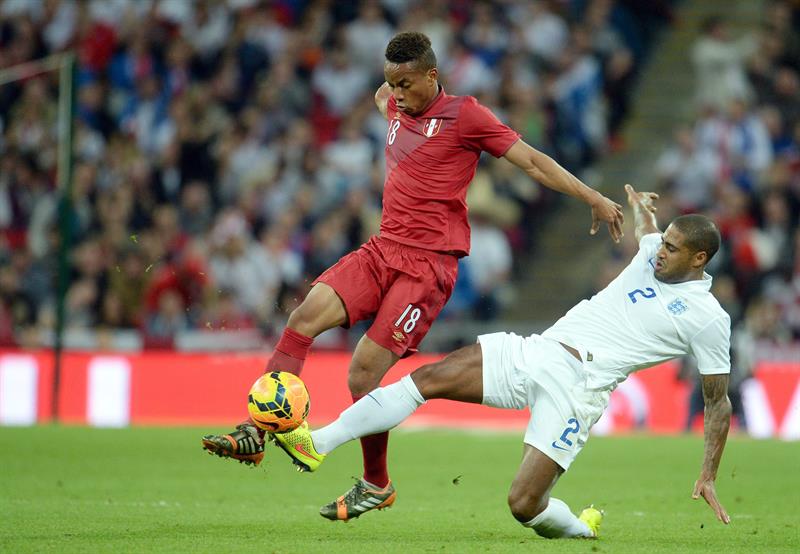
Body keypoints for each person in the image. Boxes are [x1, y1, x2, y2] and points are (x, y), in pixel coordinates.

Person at [202, 31, 624, 521]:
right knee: (302, 316)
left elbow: (530, 160)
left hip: (427, 266)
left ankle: (375, 484)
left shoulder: (467, 116)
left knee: (363, 375)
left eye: (406, 83)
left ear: (432, 75)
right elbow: (382, 96)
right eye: (391, 84)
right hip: (382, 249)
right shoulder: (393, 103)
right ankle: (257, 429)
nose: (397, 94)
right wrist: (389, 93)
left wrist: (592, 196)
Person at [272, 184, 733, 535]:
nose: (660, 252)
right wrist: (643, 210)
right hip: (538, 351)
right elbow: (648, 235)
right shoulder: (655, 251)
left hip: (579, 391)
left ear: (699, 258)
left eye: (673, 249)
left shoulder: (708, 318)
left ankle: (580, 527)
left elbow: (717, 402)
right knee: (428, 378)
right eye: (665, 242)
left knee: (523, 505)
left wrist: (708, 473)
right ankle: (318, 443)